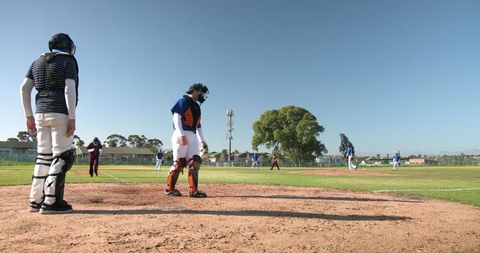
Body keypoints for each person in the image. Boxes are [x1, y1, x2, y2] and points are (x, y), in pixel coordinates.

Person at [20, 33, 79, 214]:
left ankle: (35, 199)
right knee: (63, 156)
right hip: (59, 112)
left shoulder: (37, 61)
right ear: (67, 46)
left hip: (40, 113)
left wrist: (28, 116)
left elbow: (24, 88)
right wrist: (72, 117)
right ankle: (52, 201)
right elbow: (69, 88)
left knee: (43, 156)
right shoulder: (68, 61)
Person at [165, 83, 209, 198]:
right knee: (179, 163)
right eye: (201, 92)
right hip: (182, 133)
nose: (203, 95)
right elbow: (176, 117)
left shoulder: (197, 106)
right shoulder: (182, 101)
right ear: (195, 90)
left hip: (193, 136)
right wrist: (180, 134)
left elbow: (198, 125)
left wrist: (203, 141)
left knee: (195, 162)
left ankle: (193, 190)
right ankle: (170, 188)